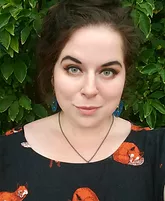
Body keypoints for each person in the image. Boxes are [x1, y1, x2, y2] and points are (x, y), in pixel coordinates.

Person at [0, 0, 165, 200]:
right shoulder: (6, 154)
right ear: (52, 72)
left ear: (125, 76)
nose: (89, 89)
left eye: (107, 71)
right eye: (73, 69)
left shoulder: (157, 153)